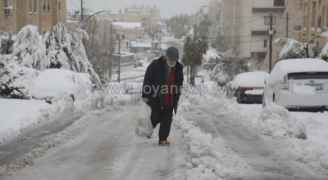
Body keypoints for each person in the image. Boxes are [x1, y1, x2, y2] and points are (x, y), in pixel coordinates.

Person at [142, 47, 184, 146]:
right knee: (155, 116)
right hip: (156, 96)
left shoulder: (179, 68)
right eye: (170, 59)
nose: (172, 62)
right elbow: (147, 79)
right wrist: (145, 94)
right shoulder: (155, 65)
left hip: (170, 98)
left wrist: (177, 94)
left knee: (167, 119)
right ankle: (147, 130)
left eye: (174, 60)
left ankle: (163, 139)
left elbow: (180, 83)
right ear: (166, 57)